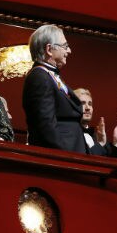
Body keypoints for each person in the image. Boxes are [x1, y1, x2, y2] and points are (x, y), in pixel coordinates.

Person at [22, 24, 87, 153]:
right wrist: (65, 154)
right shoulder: (39, 77)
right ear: (49, 49)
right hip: (61, 156)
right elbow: (46, 125)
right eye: (65, 46)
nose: (69, 51)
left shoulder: (50, 75)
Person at [74, 87, 117, 157]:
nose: (88, 108)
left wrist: (116, 141)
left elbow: (113, 162)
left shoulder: (99, 135)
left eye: (90, 104)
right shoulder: (70, 134)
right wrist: (100, 144)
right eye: (82, 103)